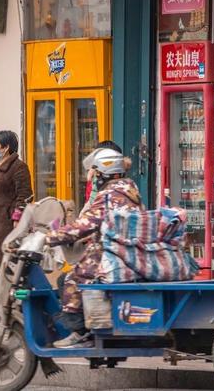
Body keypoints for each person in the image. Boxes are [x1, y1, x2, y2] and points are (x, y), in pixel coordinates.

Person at [46, 148, 142, 348]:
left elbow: (86, 224)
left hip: (113, 256)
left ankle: (81, 333)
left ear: (104, 173)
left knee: (71, 279)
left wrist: (52, 237)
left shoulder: (110, 195)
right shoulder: (129, 190)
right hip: (124, 253)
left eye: (96, 173)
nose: (93, 178)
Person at [0, 130, 33, 272]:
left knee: (8, 268)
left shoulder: (18, 167)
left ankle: (8, 295)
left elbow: (25, 196)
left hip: (6, 225)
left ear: (6, 147)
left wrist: (17, 219)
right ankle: (2, 294)